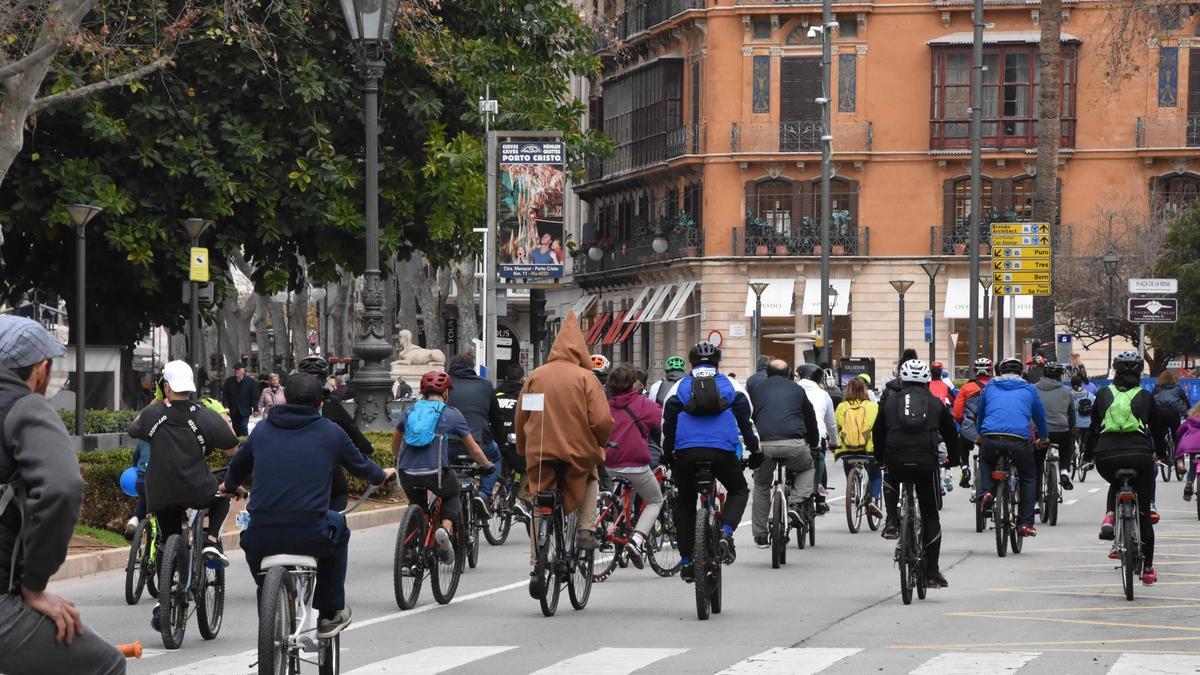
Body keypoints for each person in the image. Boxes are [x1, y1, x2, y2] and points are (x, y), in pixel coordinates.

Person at [224, 374, 396, 638]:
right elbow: (363, 467)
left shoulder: (262, 430)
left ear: (284, 399)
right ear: (320, 405)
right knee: (339, 525)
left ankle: (269, 609)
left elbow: (235, 472)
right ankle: (329, 612)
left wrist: (229, 485)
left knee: (258, 563)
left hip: (261, 536)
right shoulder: (331, 432)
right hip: (311, 534)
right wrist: (382, 476)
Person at [0, 315, 125, 674]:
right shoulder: (24, 407)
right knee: (106, 665)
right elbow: (62, 487)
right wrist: (34, 587)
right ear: (39, 369)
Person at [515, 311, 612, 585]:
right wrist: (600, 443)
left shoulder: (536, 376)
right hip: (577, 453)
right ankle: (585, 529)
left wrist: (525, 448)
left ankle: (537, 565)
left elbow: (522, 416)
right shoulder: (587, 379)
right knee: (591, 476)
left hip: (541, 451)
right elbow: (602, 420)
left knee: (540, 501)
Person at [663, 341, 760, 581]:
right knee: (739, 489)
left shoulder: (678, 387)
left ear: (691, 362)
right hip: (722, 452)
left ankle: (686, 562)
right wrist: (755, 450)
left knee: (684, 502)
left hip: (687, 452)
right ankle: (726, 532)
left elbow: (667, 425)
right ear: (718, 362)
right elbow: (747, 422)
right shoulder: (731, 385)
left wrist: (668, 455)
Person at [128, 360, 239, 568]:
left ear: (166, 386)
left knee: (167, 539)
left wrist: (157, 399)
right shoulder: (205, 416)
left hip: (159, 493)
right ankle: (211, 541)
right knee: (223, 493)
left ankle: (168, 591)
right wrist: (224, 420)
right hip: (197, 488)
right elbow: (232, 449)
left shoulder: (153, 415)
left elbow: (134, 427)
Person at [391, 371, 494, 564]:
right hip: (435, 473)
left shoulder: (409, 411)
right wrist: (487, 465)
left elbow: (395, 446)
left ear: (423, 392)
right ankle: (444, 530)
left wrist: (402, 461)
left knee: (417, 505)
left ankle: (410, 550)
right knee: (453, 492)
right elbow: (474, 449)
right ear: (446, 393)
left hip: (406, 472)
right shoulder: (451, 414)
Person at [873, 360, 958, 588]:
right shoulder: (935, 403)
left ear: (902, 379)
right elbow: (950, 433)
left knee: (889, 474)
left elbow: (877, 432)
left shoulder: (890, 402)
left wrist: (879, 458)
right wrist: (955, 459)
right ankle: (931, 572)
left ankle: (891, 519)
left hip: (896, 458)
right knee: (931, 515)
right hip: (925, 463)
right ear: (927, 381)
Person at [1084, 352, 1159, 585]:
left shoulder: (1105, 393)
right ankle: (1147, 569)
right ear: (1139, 373)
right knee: (1144, 513)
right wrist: (1162, 454)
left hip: (1106, 455)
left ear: (1115, 371)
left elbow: (1094, 428)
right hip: (1138, 454)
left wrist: (1088, 455)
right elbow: (1156, 430)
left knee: (1116, 482)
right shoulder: (1145, 395)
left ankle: (1110, 516)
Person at [974, 357, 1049, 538]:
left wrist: (980, 433)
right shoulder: (1029, 389)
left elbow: (981, 413)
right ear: (1021, 373)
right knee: (1028, 477)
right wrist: (1044, 438)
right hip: (1018, 440)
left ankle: (986, 492)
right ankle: (1025, 523)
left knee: (985, 460)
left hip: (991, 436)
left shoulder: (990, 387)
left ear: (999, 372)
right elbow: (1040, 417)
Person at [749, 359, 820, 548]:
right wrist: (813, 444)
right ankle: (795, 504)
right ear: (789, 373)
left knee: (762, 484)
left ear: (768, 374)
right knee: (807, 469)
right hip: (794, 444)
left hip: (766, 445)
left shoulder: (757, 390)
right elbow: (810, 418)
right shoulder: (797, 389)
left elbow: (753, 416)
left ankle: (760, 535)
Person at [297, 356, 377, 510]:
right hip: (326, 465)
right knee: (339, 493)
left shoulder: (288, 404)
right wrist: (368, 450)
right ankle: (335, 528)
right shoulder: (330, 403)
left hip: (293, 468)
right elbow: (351, 429)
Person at [605, 365, 665, 569]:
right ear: (633, 384)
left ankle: (609, 522)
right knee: (655, 500)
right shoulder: (644, 404)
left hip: (608, 462)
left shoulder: (605, 405)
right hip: (636, 464)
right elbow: (662, 423)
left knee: (611, 494)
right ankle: (636, 540)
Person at [446, 351, 505, 503]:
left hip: (447, 443)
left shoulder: (444, 385)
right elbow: (496, 418)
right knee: (496, 458)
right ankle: (484, 494)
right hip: (478, 443)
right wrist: (500, 441)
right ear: (472, 368)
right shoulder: (485, 385)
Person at [835, 375, 883, 518]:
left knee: (847, 462)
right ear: (865, 390)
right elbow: (879, 428)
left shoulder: (841, 407)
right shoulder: (873, 407)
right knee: (876, 476)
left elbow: (837, 427)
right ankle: (873, 499)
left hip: (847, 450)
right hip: (868, 450)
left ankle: (853, 489)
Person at [796, 364, 838, 514]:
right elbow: (831, 423)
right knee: (820, 462)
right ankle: (820, 501)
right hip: (817, 436)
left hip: (794, 435)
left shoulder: (793, 388)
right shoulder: (823, 394)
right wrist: (834, 442)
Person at [1035, 361, 1076, 492]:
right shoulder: (1066, 391)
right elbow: (1072, 414)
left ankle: (1035, 501)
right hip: (1060, 430)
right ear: (1060, 376)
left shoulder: (1032, 388)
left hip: (1038, 432)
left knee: (1036, 465)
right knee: (1066, 444)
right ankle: (1064, 470)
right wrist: (1071, 429)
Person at [952, 357, 993, 488]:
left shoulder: (965, 388)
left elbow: (957, 414)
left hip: (971, 427)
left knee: (962, 444)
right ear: (991, 371)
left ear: (975, 371)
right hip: (992, 427)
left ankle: (965, 468)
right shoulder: (996, 386)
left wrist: (962, 424)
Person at [1152, 370, 1191, 469]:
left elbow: (1152, 401)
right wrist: (1189, 414)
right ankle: (1179, 461)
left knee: (1160, 435)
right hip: (1173, 413)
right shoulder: (1177, 388)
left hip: (1159, 413)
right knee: (1176, 435)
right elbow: (1185, 401)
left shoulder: (1156, 388)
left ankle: (1161, 456)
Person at [221, 362, 258, 435]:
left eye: (238, 369)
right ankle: (238, 444)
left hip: (245, 410)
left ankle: (244, 444)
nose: (236, 371)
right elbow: (224, 395)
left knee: (244, 427)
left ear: (243, 370)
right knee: (235, 428)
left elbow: (254, 397)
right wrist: (225, 407)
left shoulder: (250, 382)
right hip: (233, 410)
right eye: (234, 370)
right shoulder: (229, 381)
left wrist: (256, 409)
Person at [1070, 374, 1096, 475]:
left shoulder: (1068, 395)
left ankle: (1073, 456)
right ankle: (1085, 456)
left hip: (1074, 424)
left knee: (1072, 440)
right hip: (1088, 424)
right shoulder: (1090, 395)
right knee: (1086, 442)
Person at [1176, 404, 1200, 501]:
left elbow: (1179, 431)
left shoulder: (1190, 420)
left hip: (1193, 447)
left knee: (1193, 468)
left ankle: (1189, 484)